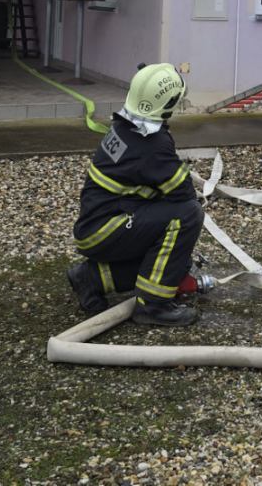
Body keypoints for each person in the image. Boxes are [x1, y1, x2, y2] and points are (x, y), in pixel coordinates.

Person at [66, 63, 203, 326]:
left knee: (177, 263)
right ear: (168, 104)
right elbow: (184, 195)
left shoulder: (125, 125)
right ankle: (153, 306)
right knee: (187, 216)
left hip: (97, 224)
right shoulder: (152, 143)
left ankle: (90, 278)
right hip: (106, 228)